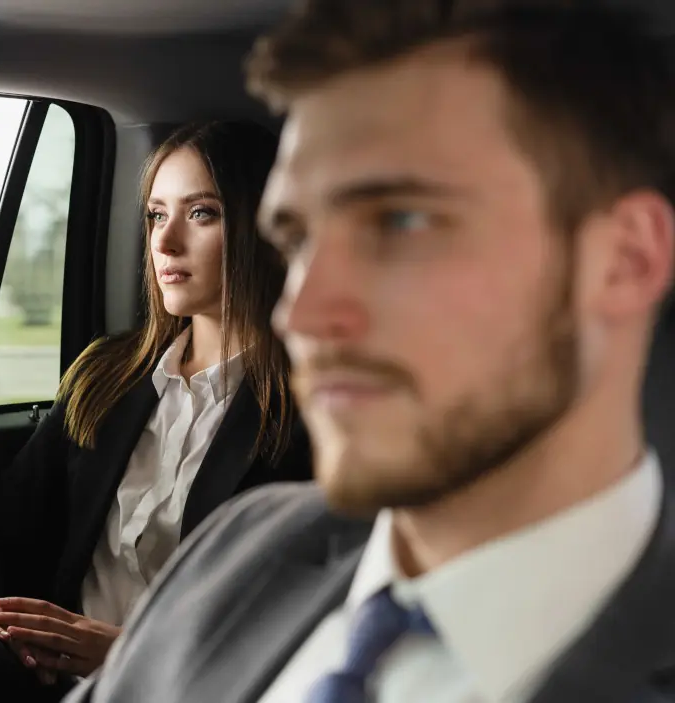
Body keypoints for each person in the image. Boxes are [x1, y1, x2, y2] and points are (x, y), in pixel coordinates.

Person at [64, 1, 675, 702]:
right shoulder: (241, 549)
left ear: (624, 260)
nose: (303, 312)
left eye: (401, 222)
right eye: (297, 240)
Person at [0, 120, 313, 703]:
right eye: (157, 215)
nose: (164, 244)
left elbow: (298, 614)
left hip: (190, 686)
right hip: (47, 679)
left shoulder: (310, 410)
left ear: (267, 227)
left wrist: (129, 648)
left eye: (201, 213)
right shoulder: (107, 376)